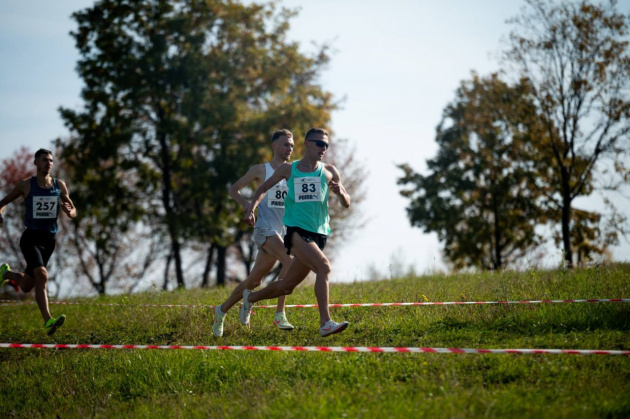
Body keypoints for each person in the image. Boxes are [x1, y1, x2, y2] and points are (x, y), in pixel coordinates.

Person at [241, 127, 351, 337]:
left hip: (319, 234)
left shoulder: (330, 170)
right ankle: (325, 322)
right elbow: (262, 188)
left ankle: (250, 298)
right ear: (308, 144)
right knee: (324, 267)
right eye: (319, 143)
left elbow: (347, 202)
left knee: (286, 287)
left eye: (326, 145)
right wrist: (251, 208)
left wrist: (340, 194)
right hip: (296, 233)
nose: (323, 148)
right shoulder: (289, 169)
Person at [212, 129, 296, 337]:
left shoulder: (294, 171)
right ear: (274, 146)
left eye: (292, 145)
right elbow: (234, 189)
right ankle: (280, 314)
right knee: (289, 261)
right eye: (285, 144)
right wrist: (246, 205)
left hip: (283, 230)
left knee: (254, 281)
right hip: (264, 227)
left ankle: (221, 310)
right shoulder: (261, 170)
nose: (289, 149)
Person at [0, 148, 76, 336]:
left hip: (49, 241)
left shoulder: (60, 185)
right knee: (42, 274)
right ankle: (48, 321)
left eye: (50, 160)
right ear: (36, 163)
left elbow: (73, 209)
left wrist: (70, 211)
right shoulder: (25, 185)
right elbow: (2, 202)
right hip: (30, 238)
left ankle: (6, 273)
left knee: (27, 286)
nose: (48, 163)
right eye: (44, 160)